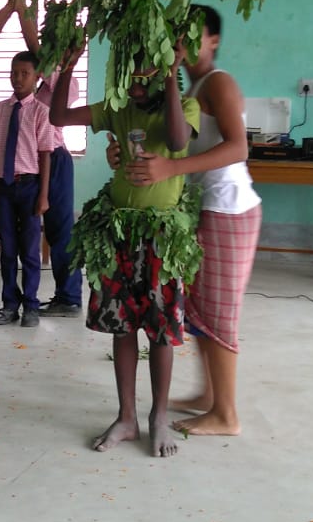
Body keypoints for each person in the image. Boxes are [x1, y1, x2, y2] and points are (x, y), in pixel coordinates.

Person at [118, 5, 262, 438]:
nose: (184, 43)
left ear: (214, 40)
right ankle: (208, 395)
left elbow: (238, 148)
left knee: (219, 314)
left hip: (228, 209)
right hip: (205, 209)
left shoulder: (218, 83)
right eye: (180, 35)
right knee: (199, 310)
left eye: (195, 35)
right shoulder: (189, 86)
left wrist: (172, 169)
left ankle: (226, 414)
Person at [51, 44, 201, 458]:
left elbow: (177, 139)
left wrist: (170, 74)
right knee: (122, 327)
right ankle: (127, 417)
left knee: (161, 330)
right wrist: (68, 65)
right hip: (119, 232)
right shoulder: (119, 108)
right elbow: (59, 117)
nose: (133, 89)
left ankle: (159, 417)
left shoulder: (184, 106)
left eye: (142, 81)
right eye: (127, 80)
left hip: (162, 236)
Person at [17, 0, 84, 317]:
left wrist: (21, 10)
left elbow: (35, 50)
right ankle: (57, 295)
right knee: (38, 230)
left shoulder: (64, 79)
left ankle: (69, 297)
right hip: (32, 160)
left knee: (60, 230)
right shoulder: (42, 81)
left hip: (54, 159)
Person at [0, 51, 54, 328]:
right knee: (7, 250)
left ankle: (31, 306)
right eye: (14, 73)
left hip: (29, 187)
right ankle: (9, 305)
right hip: (2, 187)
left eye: (25, 74)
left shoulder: (41, 112)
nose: (18, 78)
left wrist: (44, 195)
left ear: (37, 77)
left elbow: (45, 154)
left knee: (30, 251)